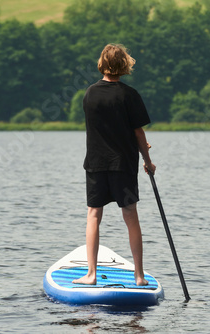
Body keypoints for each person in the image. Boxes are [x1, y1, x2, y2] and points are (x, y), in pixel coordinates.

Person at [72, 44, 155, 286]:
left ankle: (91, 275)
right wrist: (148, 161)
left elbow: (104, 128)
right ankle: (139, 276)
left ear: (102, 64)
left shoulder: (89, 94)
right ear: (124, 65)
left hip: (96, 165)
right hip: (123, 166)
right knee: (130, 215)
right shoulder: (129, 95)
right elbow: (137, 133)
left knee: (93, 215)